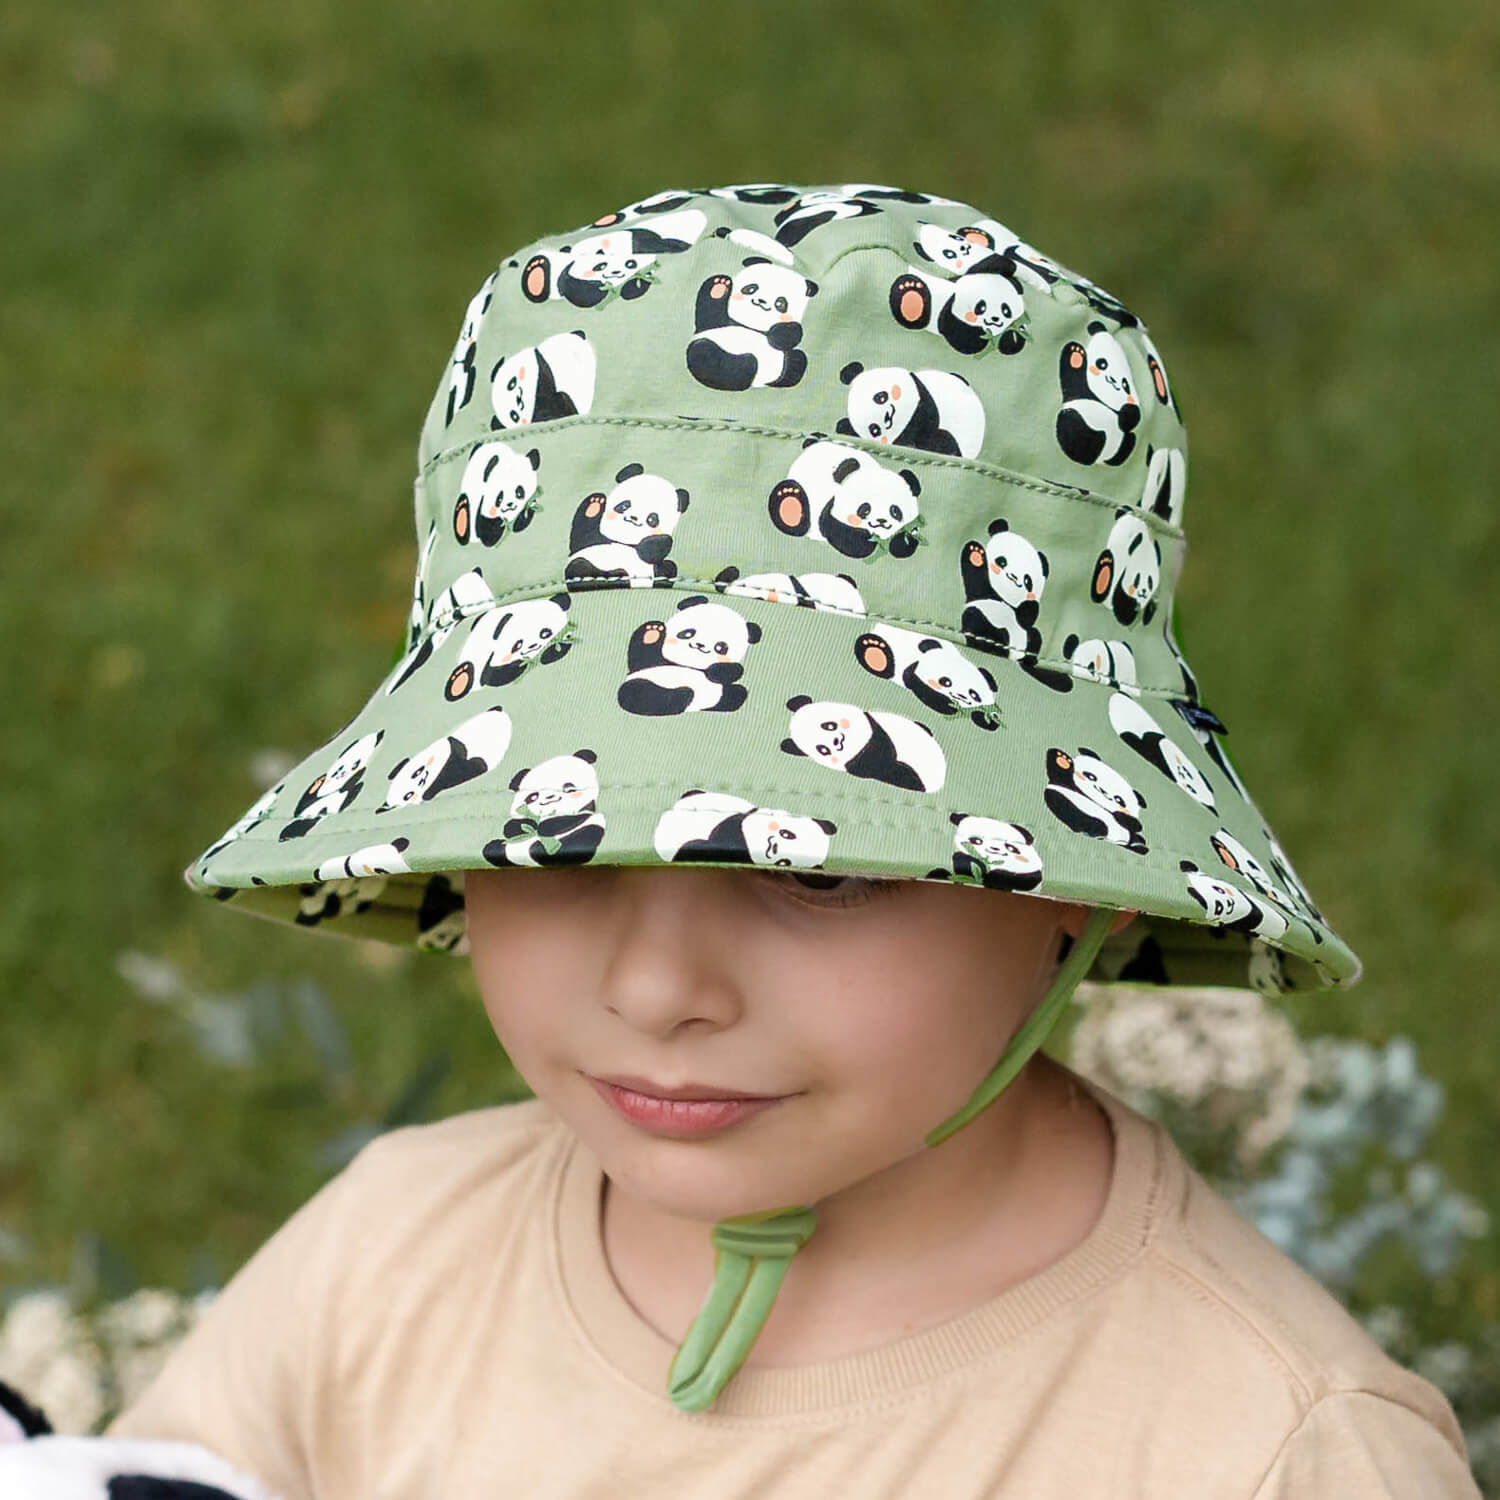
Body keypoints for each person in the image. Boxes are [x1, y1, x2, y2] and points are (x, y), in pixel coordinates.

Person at [106, 183, 1480, 1497]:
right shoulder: (389, 1265)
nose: (658, 989)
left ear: (1086, 886)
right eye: (562, 847)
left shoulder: (1264, 1452)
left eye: (816, 869)